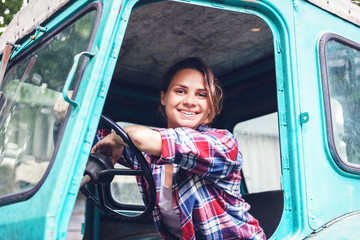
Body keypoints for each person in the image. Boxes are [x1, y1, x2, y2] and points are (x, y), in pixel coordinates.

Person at [91, 57, 266, 240]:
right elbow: (88, 142)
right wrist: (66, 112)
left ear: (209, 106)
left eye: (201, 94)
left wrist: (118, 137)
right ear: (164, 97)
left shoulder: (223, 144)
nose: (190, 101)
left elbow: (138, 137)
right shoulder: (146, 152)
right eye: (180, 91)